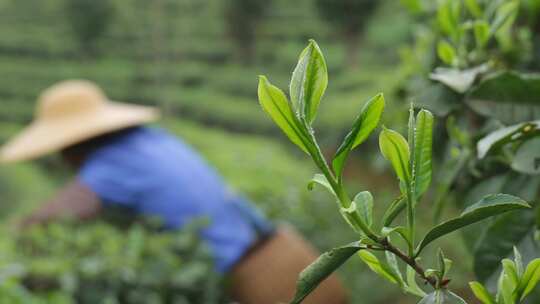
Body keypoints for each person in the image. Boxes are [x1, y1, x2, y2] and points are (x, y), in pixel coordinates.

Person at [0, 80, 347, 304]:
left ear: (71, 145)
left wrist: (14, 239)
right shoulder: (152, 139)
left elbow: (52, 216)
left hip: (259, 278)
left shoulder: (110, 166)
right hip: (279, 249)